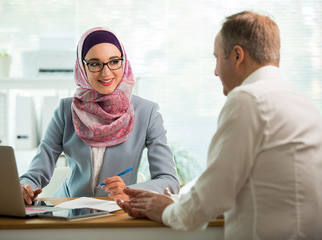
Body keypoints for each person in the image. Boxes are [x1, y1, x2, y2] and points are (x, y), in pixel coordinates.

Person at [117, 11, 322, 240]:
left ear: (237, 56)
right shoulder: (307, 106)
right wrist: (178, 201)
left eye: (216, 58)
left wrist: (164, 209)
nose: (215, 72)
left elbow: (215, 193)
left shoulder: (248, 99)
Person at [19, 27, 179, 204]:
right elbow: (36, 172)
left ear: (123, 62)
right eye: (95, 64)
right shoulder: (66, 110)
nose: (106, 73)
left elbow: (169, 181)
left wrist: (129, 191)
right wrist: (25, 187)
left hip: (117, 212)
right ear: (82, 67)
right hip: (67, 209)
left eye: (114, 61)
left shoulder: (147, 113)